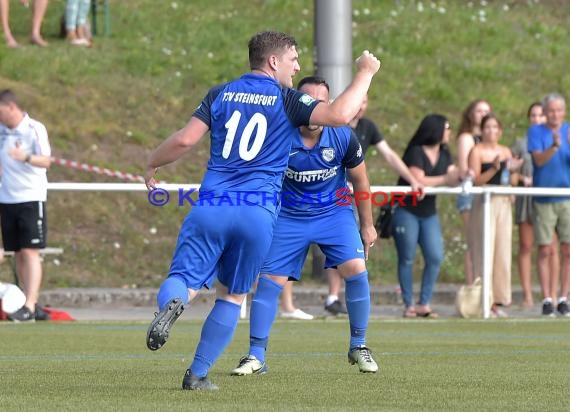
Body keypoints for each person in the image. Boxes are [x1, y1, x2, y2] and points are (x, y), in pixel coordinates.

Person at [144, 31, 381, 391]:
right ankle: (197, 374)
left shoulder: (219, 93)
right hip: (258, 214)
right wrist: (364, 72)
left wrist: (152, 163)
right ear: (273, 61)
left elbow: (184, 140)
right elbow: (341, 113)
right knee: (233, 295)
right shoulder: (287, 99)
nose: (297, 65)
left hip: (214, 204)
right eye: (293, 59)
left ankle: (175, 302)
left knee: (186, 281)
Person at [231, 75, 378, 377]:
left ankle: (359, 345)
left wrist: (367, 225)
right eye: (306, 100)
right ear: (295, 103)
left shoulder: (342, 136)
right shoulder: (277, 136)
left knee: (356, 269)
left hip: (334, 214)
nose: (312, 107)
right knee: (269, 282)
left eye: (319, 101)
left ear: (328, 104)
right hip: (289, 217)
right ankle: (255, 355)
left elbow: (361, 181)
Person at [320, 95, 423, 315]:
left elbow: (389, 155)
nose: (361, 106)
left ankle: (341, 299)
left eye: (365, 102)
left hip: (353, 193)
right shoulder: (334, 123)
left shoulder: (368, 126)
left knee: (349, 244)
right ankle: (332, 295)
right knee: (333, 242)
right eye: (358, 101)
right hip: (328, 191)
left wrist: (412, 179)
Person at [392, 114, 462, 318]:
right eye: (447, 127)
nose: (449, 131)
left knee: (435, 256)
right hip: (407, 210)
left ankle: (425, 302)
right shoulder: (416, 152)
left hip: (429, 212)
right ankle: (408, 303)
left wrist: (461, 175)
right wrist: (445, 179)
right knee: (407, 257)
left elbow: (451, 175)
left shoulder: (445, 152)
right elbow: (418, 179)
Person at [0, 89, 52, 322]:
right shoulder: (1, 132)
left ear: (11, 107)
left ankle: (30, 304)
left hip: (30, 197)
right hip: (7, 198)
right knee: (19, 252)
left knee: (31, 251)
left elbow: (46, 160)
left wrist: (26, 158)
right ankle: (27, 303)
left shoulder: (34, 129)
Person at [468, 113, 523, 318]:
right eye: (487, 127)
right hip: (485, 202)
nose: (491, 131)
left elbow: (511, 181)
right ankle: (485, 298)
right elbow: (477, 181)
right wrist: (494, 167)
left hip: (503, 201)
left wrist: (515, 170)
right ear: (482, 130)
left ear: (500, 130)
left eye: (495, 127)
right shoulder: (477, 151)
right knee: (485, 250)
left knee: (502, 249)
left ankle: (500, 298)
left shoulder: (505, 150)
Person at [511, 102, 560, 308]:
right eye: (533, 115)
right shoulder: (521, 143)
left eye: (540, 115)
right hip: (528, 198)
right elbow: (510, 172)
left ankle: (555, 294)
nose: (537, 119)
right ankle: (528, 295)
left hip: (549, 197)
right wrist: (521, 178)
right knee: (526, 246)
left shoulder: (557, 140)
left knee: (551, 247)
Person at [528, 92, 570, 317]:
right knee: (545, 248)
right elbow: (538, 160)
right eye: (551, 110)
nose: (555, 114)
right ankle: (547, 298)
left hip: (567, 197)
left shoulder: (569, 130)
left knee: (568, 248)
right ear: (545, 112)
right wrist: (554, 146)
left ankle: (564, 297)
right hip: (545, 197)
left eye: (559, 110)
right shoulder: (536, 132)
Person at [455, 99, 492, 285]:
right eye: (479, 111)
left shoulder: (489, 140)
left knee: (484, 243)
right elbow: (463, 170)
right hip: (470, 194)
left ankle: (485, 290)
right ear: (471, 114)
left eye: (487, 111)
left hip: (485, 193)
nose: (484, 114)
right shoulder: (466, 138)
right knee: (474, 243)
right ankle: (473, 288)